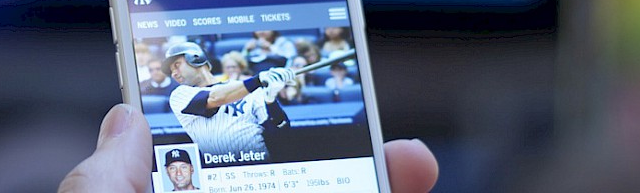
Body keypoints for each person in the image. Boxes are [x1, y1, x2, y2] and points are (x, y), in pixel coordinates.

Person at [58, 103, 439, 192]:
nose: (177, 171)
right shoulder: (184, 97)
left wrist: (269, 100)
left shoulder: (251, 103)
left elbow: (281, 130)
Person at [164, 41, 293, 163]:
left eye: (177, 65)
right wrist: (257, 80)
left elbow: (280, 133)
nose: (173, 74)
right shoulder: (179, 95)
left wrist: (271, 101)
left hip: (257, 166)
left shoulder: (250, 89)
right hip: (221, 171)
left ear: (195, 58)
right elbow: (215, 98)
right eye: (171, 71)